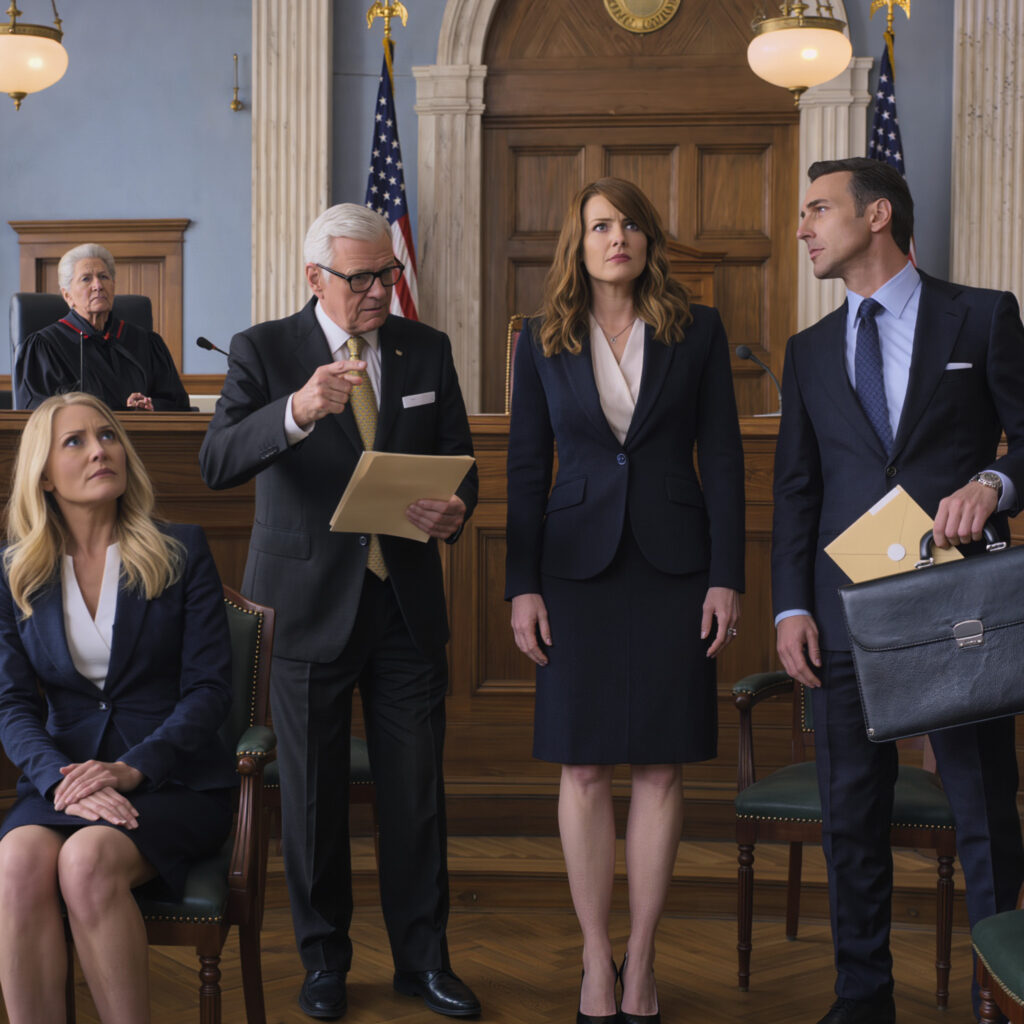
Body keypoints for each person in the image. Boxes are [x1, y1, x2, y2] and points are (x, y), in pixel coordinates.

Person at [199, 203, 480, 1021]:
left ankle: (424, 961)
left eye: (387, 274)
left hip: (405, 605)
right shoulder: (263, 350)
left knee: (416, 796)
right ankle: (324, 963)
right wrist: (295, 410)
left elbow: (460, 462)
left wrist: (456, 507)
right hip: (308, 606)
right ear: (314, 278)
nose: (379, 291)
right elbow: (217, 459)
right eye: (361, 279)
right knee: (313, 800)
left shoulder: (426, 348)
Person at [773, 157, 1024, 1024]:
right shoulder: (807, 351)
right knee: (850, 815)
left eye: (818, 209)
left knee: (982, 808)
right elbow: (797, 490)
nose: (803, 228)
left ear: (877, 215)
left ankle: (998, 999)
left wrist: (994, 484)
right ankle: (862, 999)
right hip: (843, 616)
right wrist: (791, 606)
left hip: (958, 610)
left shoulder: (983, 316)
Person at [505, 177, 745, 1024]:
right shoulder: (542, 337)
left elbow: (723, 458)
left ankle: (640, 958)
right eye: (602, 225)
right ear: (579, 242)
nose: (619, 238)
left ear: (649, 240)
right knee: (581, 766)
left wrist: (726, 574)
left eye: (632, 224)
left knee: (659, 766)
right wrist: (522, 585)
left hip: (675, 567)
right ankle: (592, 957)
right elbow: (526, 468)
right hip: (573, 571)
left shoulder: (698, 329)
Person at [0, 392, 236, 1024]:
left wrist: (133, 768)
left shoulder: (181, 550)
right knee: (16, 861)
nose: (99, 450)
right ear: (43, 476)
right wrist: (59, 781)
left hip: (174, 780)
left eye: (107, 436)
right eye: (74, 441)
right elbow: (12, 705)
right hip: (68, 779)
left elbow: (210, 691)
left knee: (85, 862)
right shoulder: (16, 573)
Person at [15, 243, 191, 412]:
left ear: (113, 285)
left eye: (103, 277)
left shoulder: (146, 343)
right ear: (67, 295)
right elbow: (38, 414)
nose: (98, 286)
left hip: (144, 433)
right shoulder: (45, 347)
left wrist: (150, 406)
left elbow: (178, 405)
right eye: (86, 279)